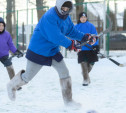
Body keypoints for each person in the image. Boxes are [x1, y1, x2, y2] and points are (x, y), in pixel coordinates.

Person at [7, 0, 97, 106]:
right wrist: (71, 44)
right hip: (38, 50)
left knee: (64, 72)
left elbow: (71, 31)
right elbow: (55, 37)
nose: (65, 10)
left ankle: (68, 101)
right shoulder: (50, 17)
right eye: (63, 8)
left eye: (68, 8)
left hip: (52, 50)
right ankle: (12, 85)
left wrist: (84, 37)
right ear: (59, 6)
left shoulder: (67, 18)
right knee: (27, 77)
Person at [75, 12, 99, 86]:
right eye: (81, 17)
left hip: (90, 49)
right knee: (83, 63)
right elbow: (73, 36)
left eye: (84, 17)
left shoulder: (91, 26)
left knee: (91, 63)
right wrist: (74, 44)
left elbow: (95, 36)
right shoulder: (76, 27)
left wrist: (95, 45)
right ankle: (85, 80)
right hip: (81, 49)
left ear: (86, 18)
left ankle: (85, 74)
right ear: (79, 18)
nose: (83, 18)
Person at [0, 17, 23, 89]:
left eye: (2, 25)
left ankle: (14, 85)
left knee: (10, 68)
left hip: (4, 55)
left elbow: (11, 45)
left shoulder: (7, 34)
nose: (1, 27)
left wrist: (16, 51)